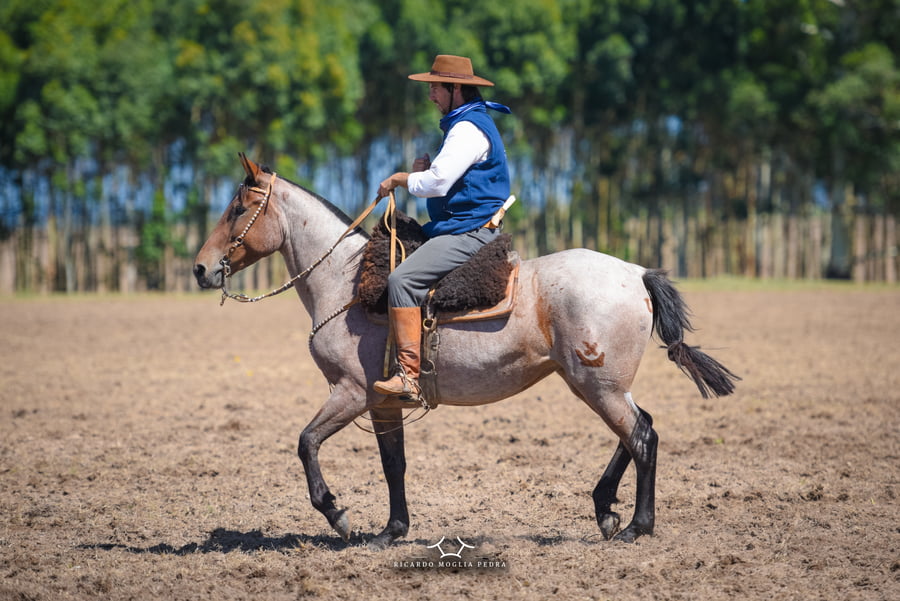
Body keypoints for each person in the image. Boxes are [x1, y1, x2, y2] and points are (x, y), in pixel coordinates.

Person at [373, 54, 512, 398]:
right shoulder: (466, 123)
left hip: (470, 231)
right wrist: (422, 172)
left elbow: (436, 184)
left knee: (400, 279)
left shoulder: (467, 128)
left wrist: (402, 178)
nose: (431, 94)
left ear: (455, 89)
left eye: (435, 87)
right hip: (461, 226)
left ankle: (408, 376)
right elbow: (442, 184)